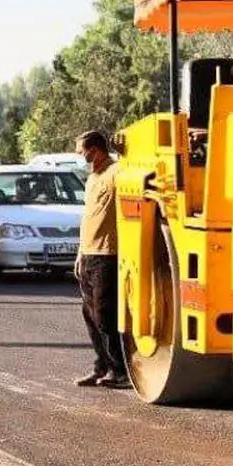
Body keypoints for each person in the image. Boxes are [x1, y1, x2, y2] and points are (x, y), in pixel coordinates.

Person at [73, 130, 129, 389]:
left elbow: (137, 178)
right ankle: (101, 366)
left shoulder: (114, 173)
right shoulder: (92, 179)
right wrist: (79, 254)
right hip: (88, 255)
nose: (79, 155)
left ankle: (119, 370)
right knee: (90, 314)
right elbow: (88, 219)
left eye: (81, 150)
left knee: (105, 315)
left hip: (107, 255)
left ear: (95, 150)